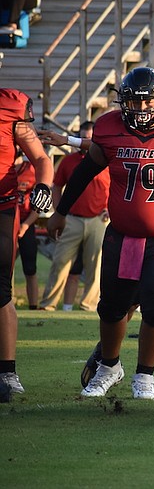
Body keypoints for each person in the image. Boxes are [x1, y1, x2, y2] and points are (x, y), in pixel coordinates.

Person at [47, 67, 154, 400]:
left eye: (148, 103)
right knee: (112, 307)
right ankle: (109, 365)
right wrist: (60, 212)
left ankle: (144, 375)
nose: (141, 109)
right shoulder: (109, 128)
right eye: (134, 103)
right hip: (121, 234)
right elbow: (86, 170)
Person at [0, 88, 54, 397]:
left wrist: (43, 185)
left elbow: (41, 159)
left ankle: (7, 370)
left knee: (2, 290)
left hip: (2, 206)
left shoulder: (12, 109)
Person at [39, 121, 110, 312]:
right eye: (84, 136)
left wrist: (109, 208)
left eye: (90, 137)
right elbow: (57, 187)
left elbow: (117, 186)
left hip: (98, 219)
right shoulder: (69, 161)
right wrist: (58, 211)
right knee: (60, 262)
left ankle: (89, 305)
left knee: (96, 265)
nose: (87, 140)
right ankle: (48, 305)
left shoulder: (108, 160)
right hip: (72, 219)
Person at [13, 149, 38, 309]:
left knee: (30, 268)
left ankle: (33, 307)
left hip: (25, 222)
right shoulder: (4, 169)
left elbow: (37, 206)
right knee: (4, 267)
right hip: (6, 222)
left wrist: (26, 224)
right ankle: (7, 304)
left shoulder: (31, 170)